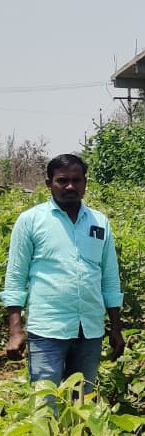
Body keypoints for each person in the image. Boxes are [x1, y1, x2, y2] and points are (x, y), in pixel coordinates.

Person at [2, 154, 125, 396]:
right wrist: (15, 331)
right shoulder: (31, 221)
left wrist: (116, 327)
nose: (70, 186)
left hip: (90, 329)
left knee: (82, 400)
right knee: (46, 401)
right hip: (48, 329)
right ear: (49, 184)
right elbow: (15, 278)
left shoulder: (99, 222)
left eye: (76, 180)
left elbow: (109, 277)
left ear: (85, 183)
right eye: (62, 180)